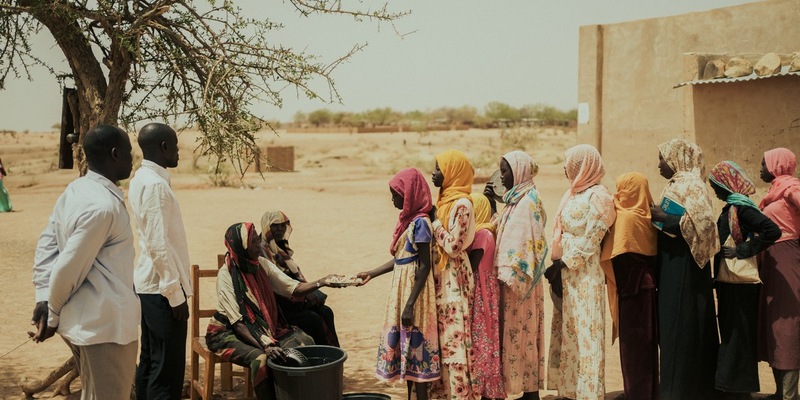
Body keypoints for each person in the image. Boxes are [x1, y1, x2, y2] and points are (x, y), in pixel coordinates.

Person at [30, 124, 139, 400]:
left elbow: (47, 244)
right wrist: (51, 314)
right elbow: (68, 267)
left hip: (90, 325)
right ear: (115, 154)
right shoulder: (102, 207)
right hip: (105, 329)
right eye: (128, 152)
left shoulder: (78, 189)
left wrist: (43, 296)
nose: (132, 157)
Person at [206, 222, 340, 400]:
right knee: (262, 360)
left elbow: (292, 288)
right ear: (242, 246)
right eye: (253, 242)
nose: (258, 245)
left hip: (261, 327)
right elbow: (238, 323)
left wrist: (322, 281)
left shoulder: (260, 263)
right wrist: (266, 345)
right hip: (228, 332)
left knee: (305, 342)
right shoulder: (226, 276)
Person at [357, 168, 440, 400]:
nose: (393, 199)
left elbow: (424, 266)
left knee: (418, 354)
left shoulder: (421, 223)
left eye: (396, 194)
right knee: (407, 353)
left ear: (410, 194)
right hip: (403, 292)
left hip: (415, 294)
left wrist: (410, 304)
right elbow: (402, 258)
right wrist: (372, 273)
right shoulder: (408, 222)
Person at [650, 138, 719, 400]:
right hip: (671, 262)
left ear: (677, 158)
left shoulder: (692, 185)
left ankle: (679, 390)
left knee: (681, 322)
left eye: (662, 158)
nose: (659, 164)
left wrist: (666, 219)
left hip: (685, 265)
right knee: (672, 324)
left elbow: (705, 225)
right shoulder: (677, 184)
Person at [128, 123, 192, 400]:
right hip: (162, 291)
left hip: (150, 287)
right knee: (166, 371)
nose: (178, 152)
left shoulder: (142, 178)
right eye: (175, 146)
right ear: (165, 147)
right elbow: (157, 243)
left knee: (151, 362)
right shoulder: (154, 186)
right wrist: (174, 293)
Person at [547, 144, 615, 400]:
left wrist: (564, 262)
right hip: (566, 273)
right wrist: (557, 264)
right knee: (571, 331)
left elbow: (592, 238)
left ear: (583, 166)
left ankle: (589, 393)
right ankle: (570, 390)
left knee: (588, 333)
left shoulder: (599, 196)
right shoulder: (573, 194)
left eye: (570, 164)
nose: (565, 169)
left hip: (586, 274)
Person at [708, 160, 780, 399]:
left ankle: (736, 389)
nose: (715, 190)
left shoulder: (743, 209)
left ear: (727, 185)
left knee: (739, 333)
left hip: (740, 286)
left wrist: (742, 250)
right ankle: (732, 385)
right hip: (729, 283)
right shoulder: (731, 207)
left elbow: (772, 231)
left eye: (716, 185)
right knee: (732, 332)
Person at [488, 150, 548, 400]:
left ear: (519, 171)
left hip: (520, 281)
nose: (501, 177)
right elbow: (501, 229)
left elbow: (526, 243)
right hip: (511, 279)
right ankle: (527, 391)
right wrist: (492, 203)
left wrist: (511, 272)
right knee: (517, 336)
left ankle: (530, 393)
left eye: (505, 171)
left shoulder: (528, 201)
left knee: (522, 335)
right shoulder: (515, 200)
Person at [598, 172, 659, 400]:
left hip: (632, 289)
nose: (617, 194)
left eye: (622, 190)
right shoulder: (647, 213)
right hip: (647, 287)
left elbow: (618, 255)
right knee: (647, 344)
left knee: (633, 345)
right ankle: (647, 391)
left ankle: (636, 393)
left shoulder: (626, 220)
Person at [430, 149, 478, 400]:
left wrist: (435, 223)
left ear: (452, 172)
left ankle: (460, 393)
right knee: (443, 337)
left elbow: (454, 246)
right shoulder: (444, 201)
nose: (433, 174)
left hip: (455, 277)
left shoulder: (463, 204)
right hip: (442, 276)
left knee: (455, 337)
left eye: (438, 169)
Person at [260, 210, 339, 347]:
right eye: (275, 226)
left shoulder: (281, 248)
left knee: (326, 312)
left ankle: (333, 356)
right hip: (278, 303)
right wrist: (304, 296)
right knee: (312, 320)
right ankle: (319, 359)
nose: (280, 229)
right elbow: (276, 284)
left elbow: (295, 276)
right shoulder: (263, 251)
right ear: (267, 227)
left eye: (282, 226)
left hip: (293, 297)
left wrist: (307, 293)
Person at [757, 148, 800, 400]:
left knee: (788, 326)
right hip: (772, 263)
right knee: (774, 325)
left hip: (787, 261)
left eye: (765, 163)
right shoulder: (774, 193)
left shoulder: (791, 189)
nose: (761, 168)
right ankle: (779, 391)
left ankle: (789, 395)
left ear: (777, 165)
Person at [467, 192, 504, 400]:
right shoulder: (487, 232)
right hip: (485, 290)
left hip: (481, 291)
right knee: (485, 339)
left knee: (481, 340)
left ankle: (483, 387)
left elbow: (471, 265)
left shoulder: (482, 235)